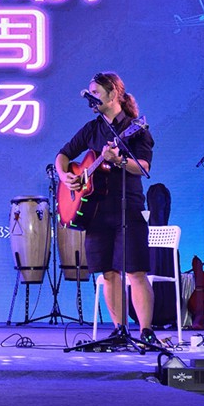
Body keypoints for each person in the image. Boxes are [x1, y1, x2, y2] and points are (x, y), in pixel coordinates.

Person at [55, 72, 156, 344]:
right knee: (108, 273)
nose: (92, 98)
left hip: (128, 208)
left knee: (135, 271)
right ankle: (119, 330)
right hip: (96, 213)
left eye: (96, 93)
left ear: (113, 94)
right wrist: (65, 176)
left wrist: (119, 160)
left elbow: (143, 167)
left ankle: (146, 332)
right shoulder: (92, 128)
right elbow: (63, 154)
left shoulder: (136, 129)